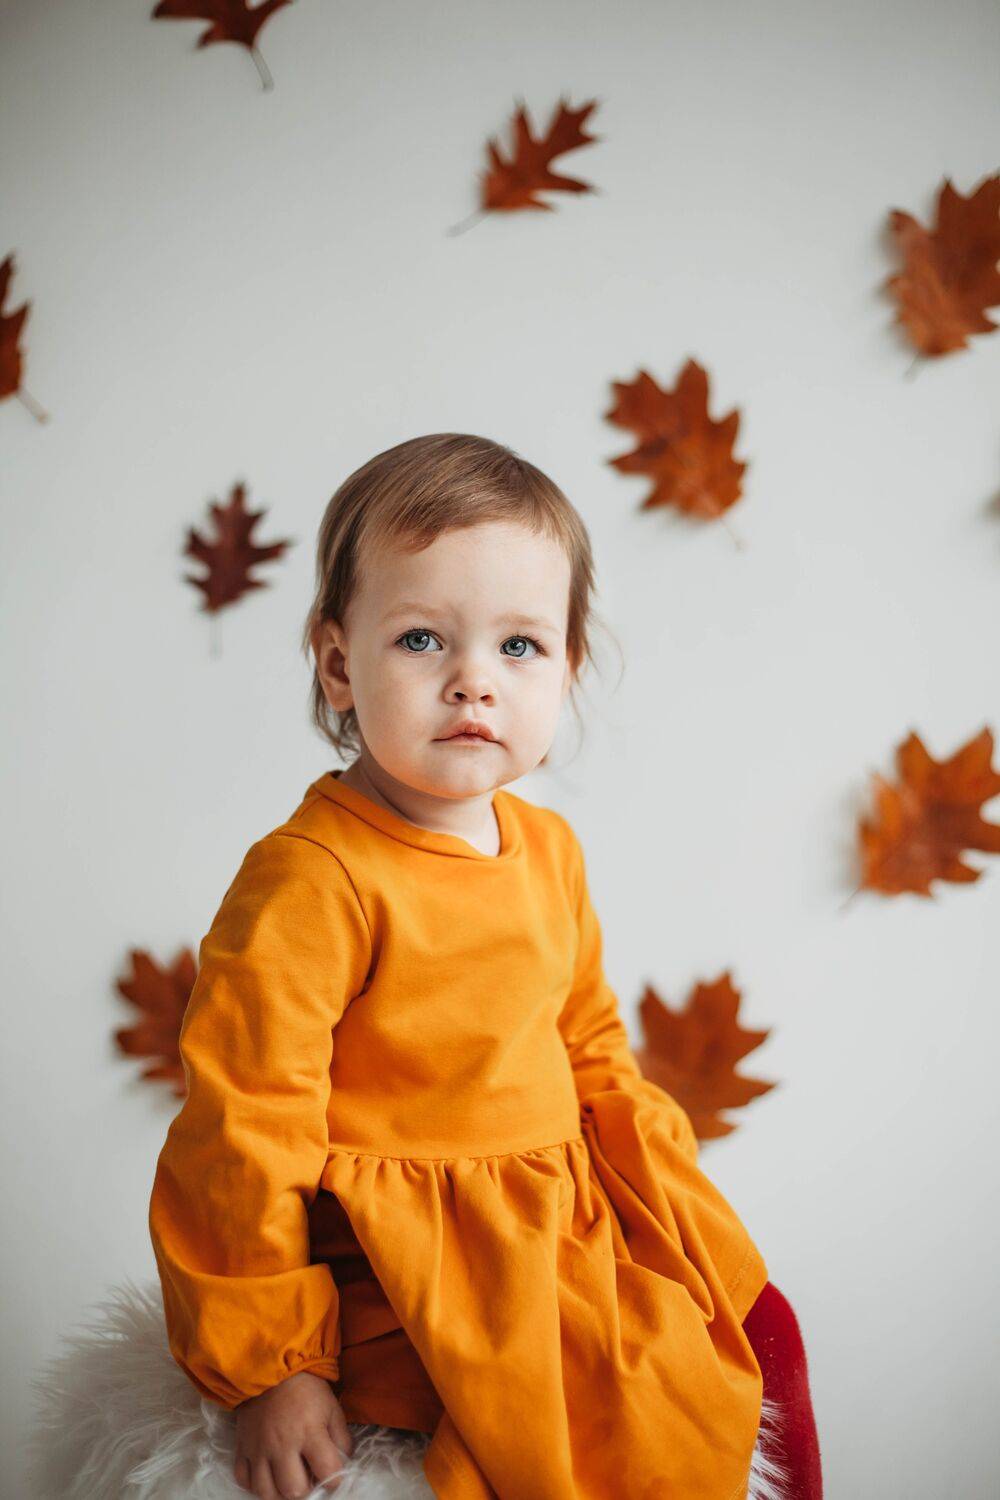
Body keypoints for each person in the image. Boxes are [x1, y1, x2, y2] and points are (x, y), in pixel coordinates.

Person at [148, 432, 816, 1500]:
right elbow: (242, 1125)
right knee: (572, 1438)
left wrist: (662, 1216)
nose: (473, 682)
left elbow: (588, 1040)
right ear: (339, 665)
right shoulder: (315, 877)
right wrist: (276, 1363)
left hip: (556, 1222)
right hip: (406, 1268)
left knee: (754, 1331)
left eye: (519, 646)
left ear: (568, 668)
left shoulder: (548, 849)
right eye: (421, 639)